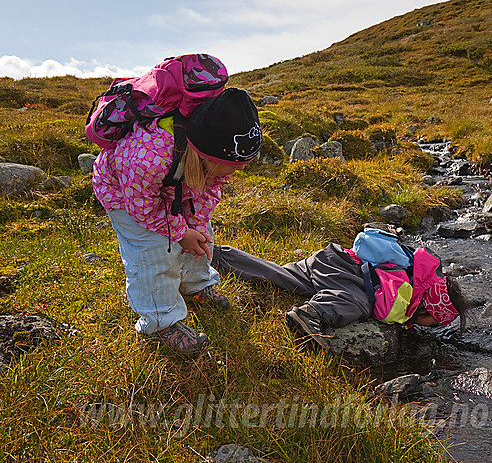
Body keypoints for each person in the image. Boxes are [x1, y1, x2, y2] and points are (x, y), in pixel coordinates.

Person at [92, 87, 262, 355]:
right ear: (207, 154)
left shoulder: (215, 154)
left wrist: (193, 226)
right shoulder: (148, 157)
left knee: (202, 234)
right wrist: (181, 234)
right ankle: (160, 321)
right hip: (125, 197)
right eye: (234, 164)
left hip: (173, 187)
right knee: (155, 251)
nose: (239, 169)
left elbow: (211, 186)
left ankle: (196, 284)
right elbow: (143, 208)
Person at [211, 225, 467, 349]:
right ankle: (312, 313)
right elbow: (384, 312)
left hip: (333, 259)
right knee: (360, 303)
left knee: (279, 276)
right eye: (434, 323)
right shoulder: (406, 292)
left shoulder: (418, 275)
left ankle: (218, 256)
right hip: (341, 273)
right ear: (427, 310)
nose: (431, 328)